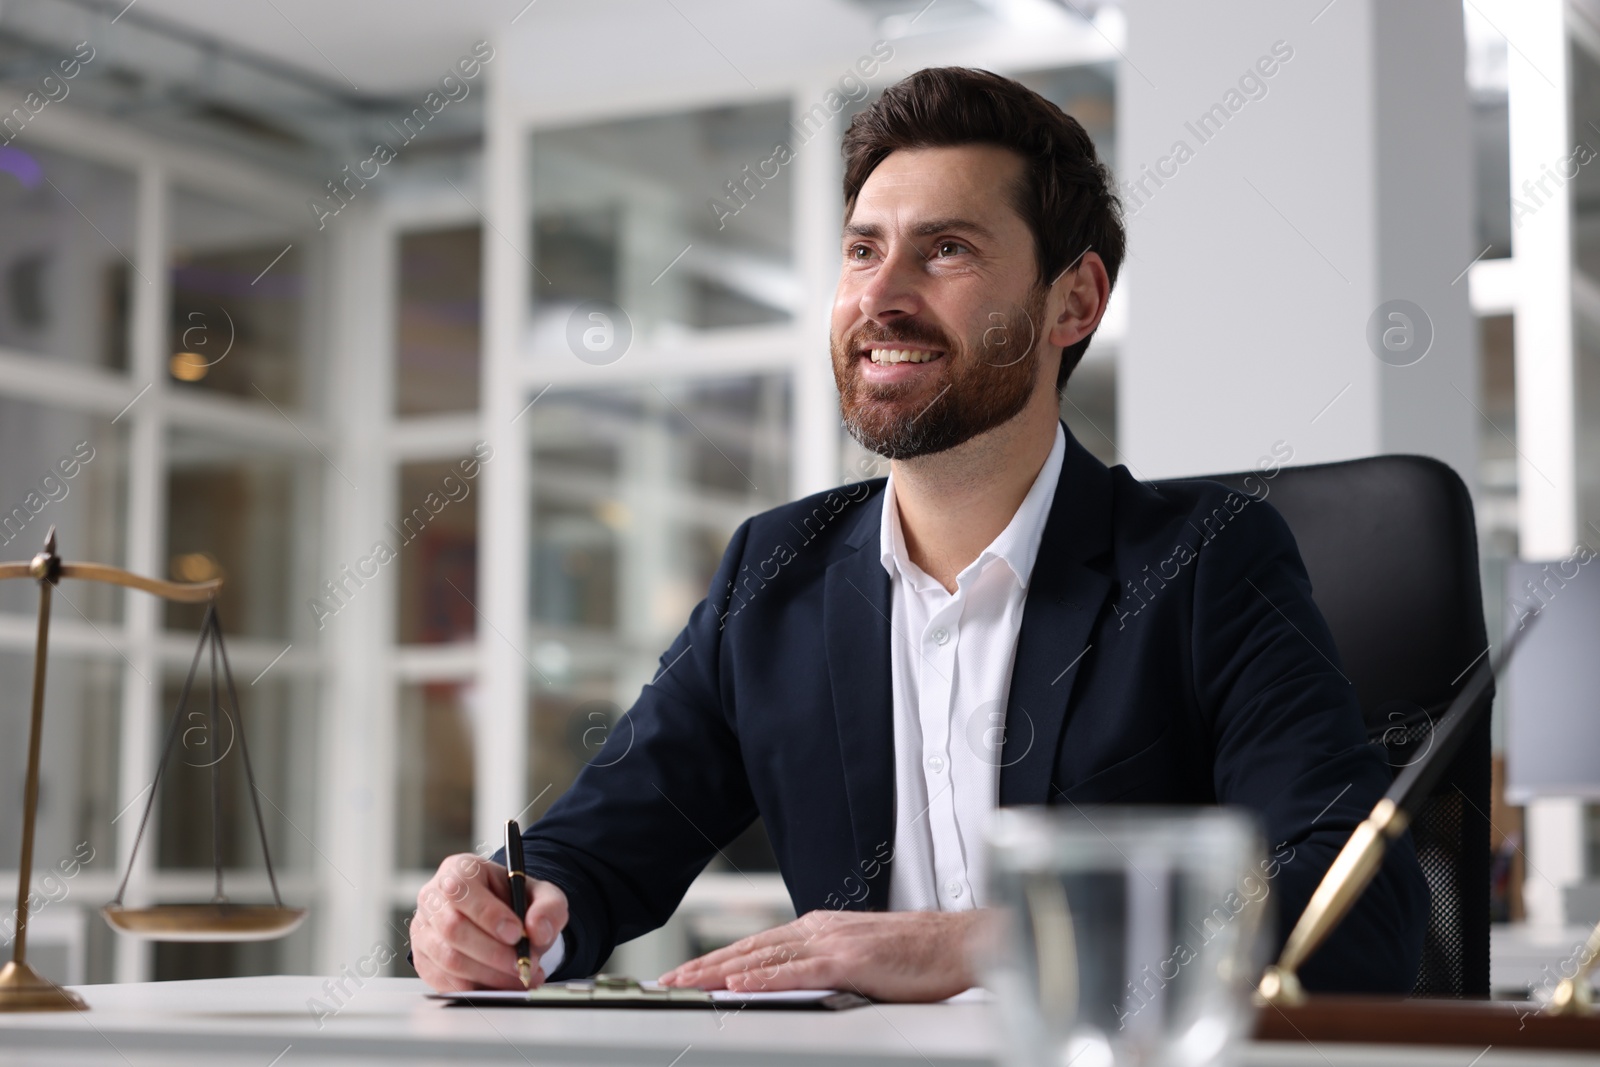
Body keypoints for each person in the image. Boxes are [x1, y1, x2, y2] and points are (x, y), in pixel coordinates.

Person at [409, 66, 1427, 1001]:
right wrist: (502, 911)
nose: (881, 296)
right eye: (862, 249)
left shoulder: (1204, 560)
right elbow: (594, 855)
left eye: (945, 249)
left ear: (1073, 300)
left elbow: (1356, 909)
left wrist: (983, 941)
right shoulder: (774, 574)